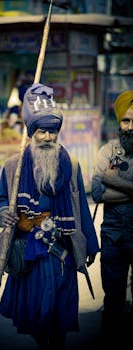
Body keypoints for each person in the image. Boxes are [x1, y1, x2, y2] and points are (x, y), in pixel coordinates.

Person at [0, 83, 100, 349]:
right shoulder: (12, 167)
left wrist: (90, 241)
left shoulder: (71, 164)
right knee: (38, 316)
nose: (47, 137)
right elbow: (1, 201)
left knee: (61, 315)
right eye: (41, 131)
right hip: (32, 252)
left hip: (62, 250)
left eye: (52, 131)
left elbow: (79, 206)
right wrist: (5, 213)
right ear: (31, 132)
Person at [91, 90, 133, 341]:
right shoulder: (107, 151)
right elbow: (97, 192)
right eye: (126, 120)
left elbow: (105, 185)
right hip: (113, 238)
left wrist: (112, 179)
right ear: (119, 122)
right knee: (113, 299)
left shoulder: (109, 165)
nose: (130, 126)